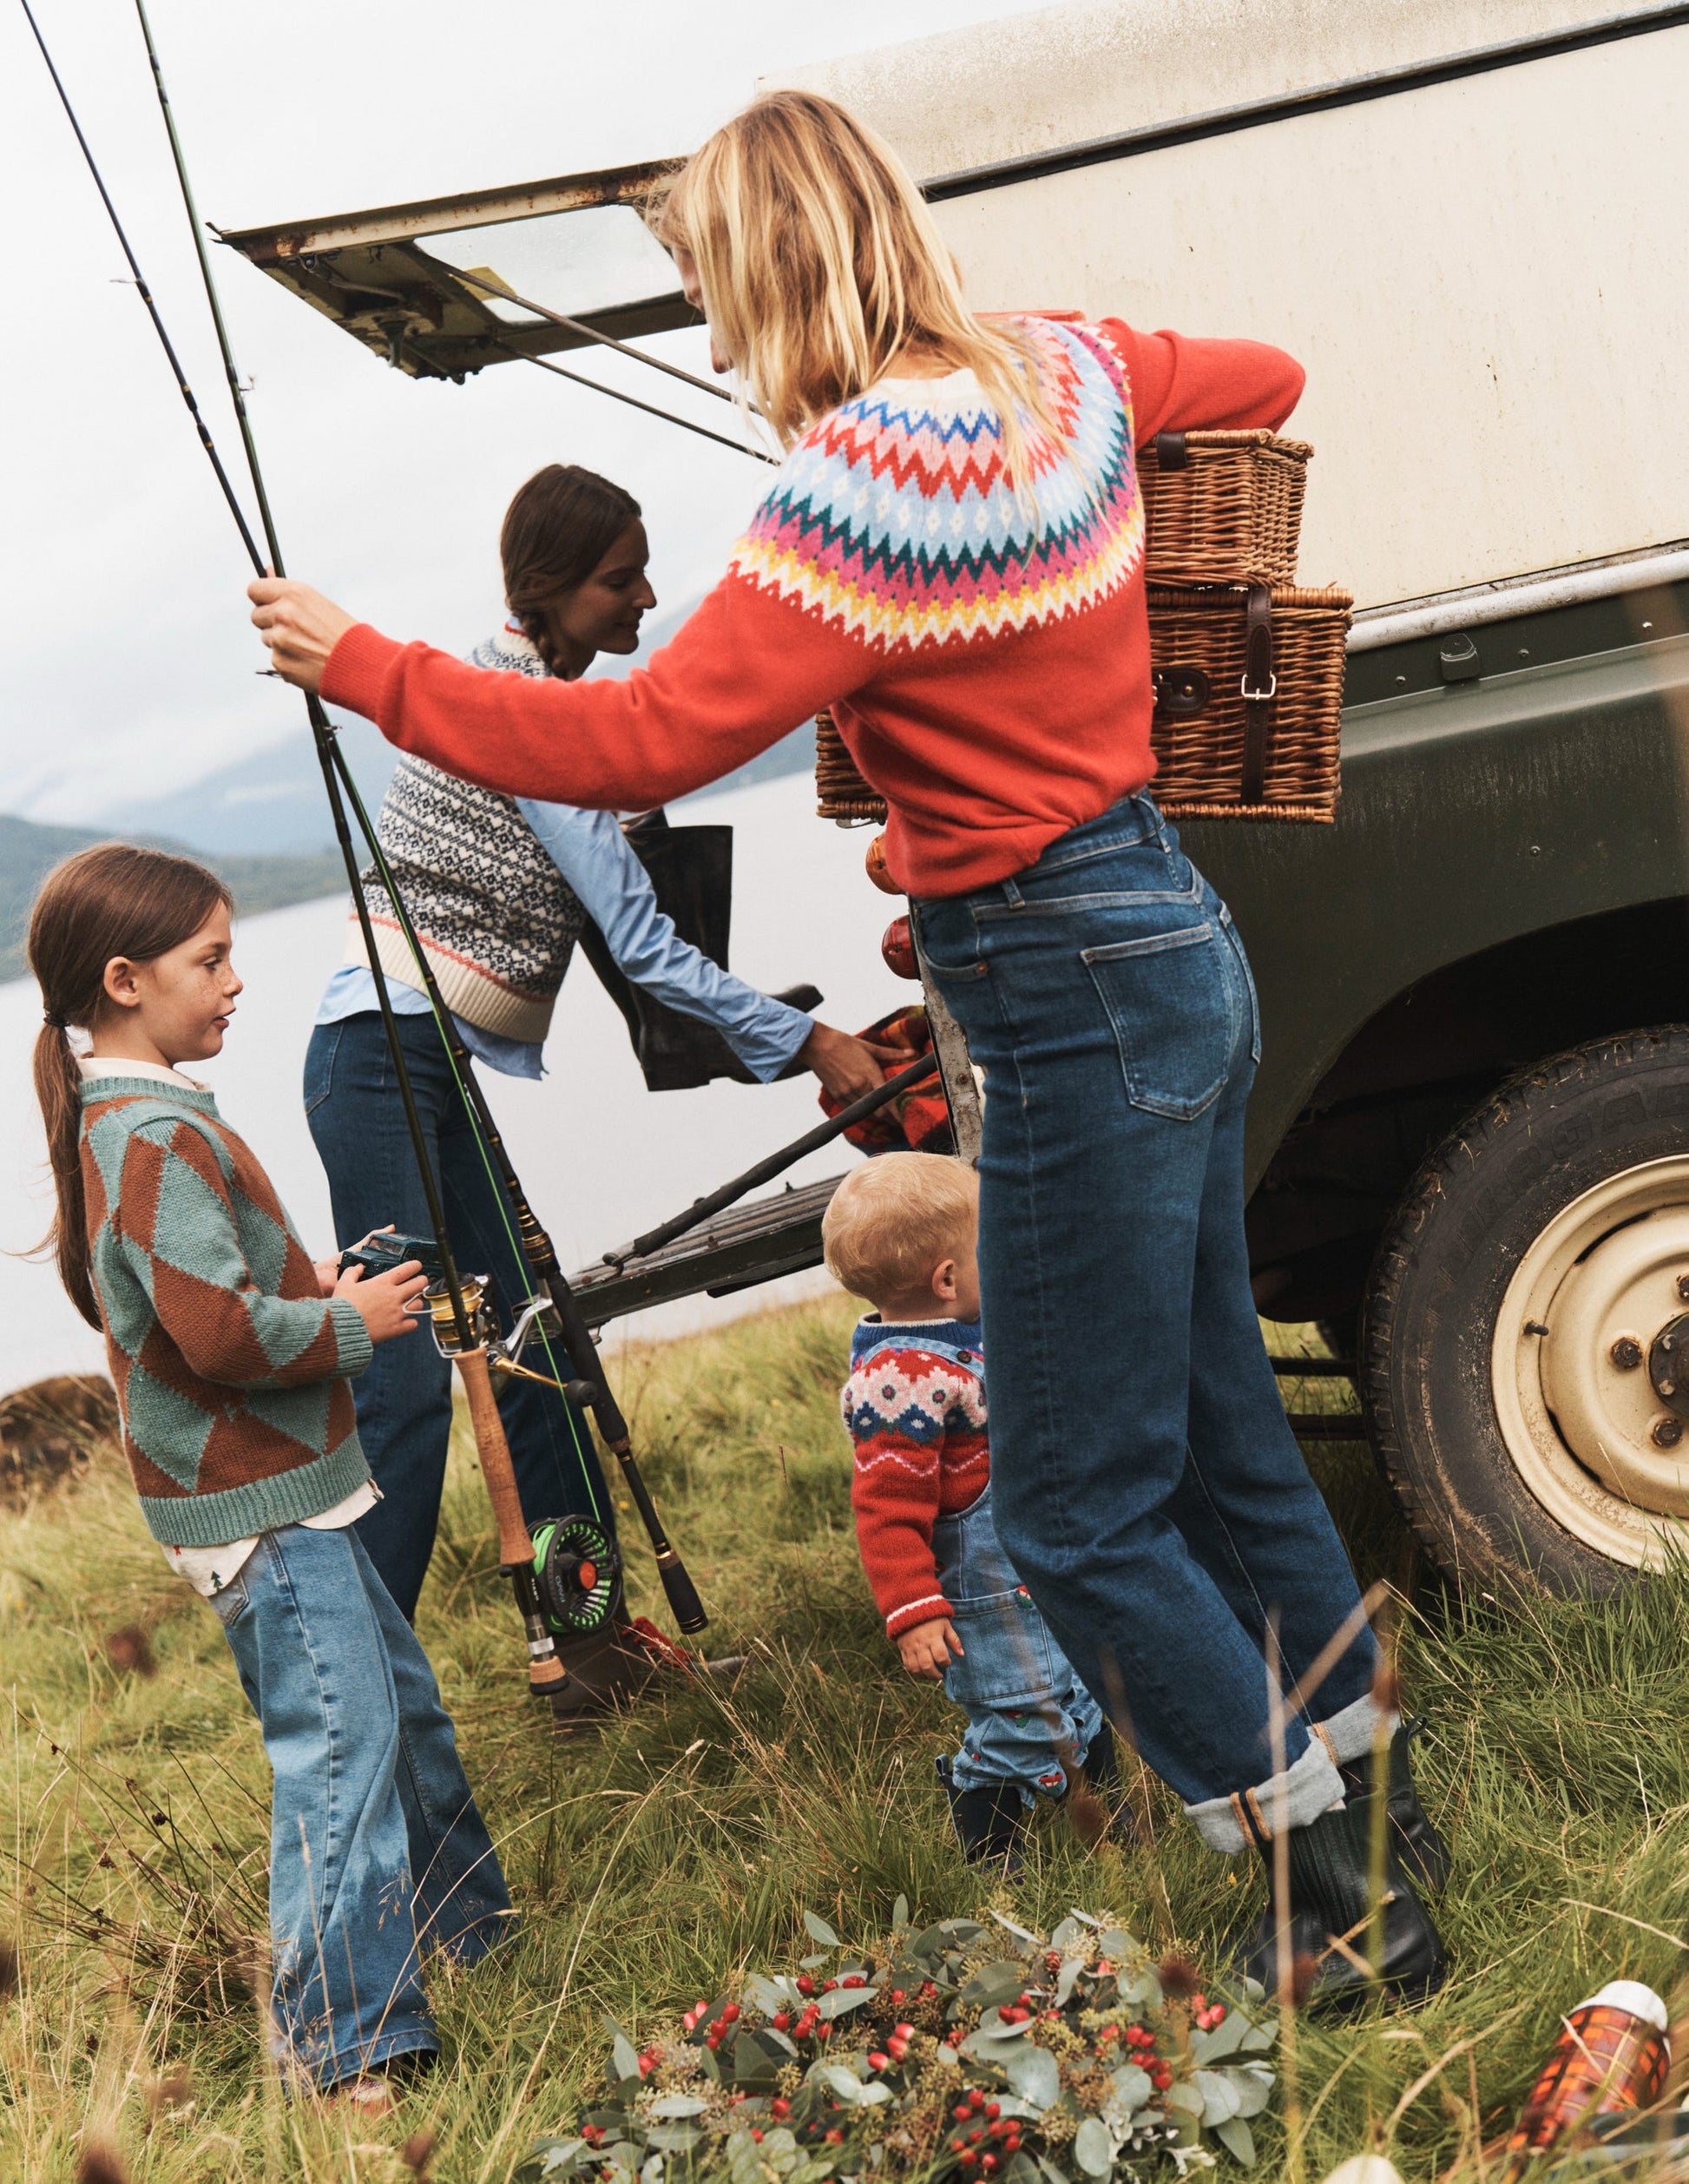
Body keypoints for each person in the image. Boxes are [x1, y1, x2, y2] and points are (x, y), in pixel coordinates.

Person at [250, 89, 1449, 2002]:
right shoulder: (1065, 372)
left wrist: (367, 663)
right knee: (1224, 1439)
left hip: (1063, 987)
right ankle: (1386, 1839)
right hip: (1163, 929)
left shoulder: (861, 487)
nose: (717, 336)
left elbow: (634, 741)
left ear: (776, 260)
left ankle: (1337, 1897)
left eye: (714, 286)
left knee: (1069, 1512)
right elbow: (1268, 367)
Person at [305, 462, 894, 1683]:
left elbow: (651, 970)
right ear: (549, 591)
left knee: (533, 1334)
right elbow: (645, 949)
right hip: (383, 1061)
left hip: (409, 1057)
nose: (644, 601)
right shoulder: (530, 722)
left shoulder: (511, 680)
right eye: (618, 582)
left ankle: (586, 1648)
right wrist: (817, 1046)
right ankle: (359, 1688)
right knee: (410, 1383)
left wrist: (756, 1038)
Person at [26, 843, 512, 2101]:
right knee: (341, 1759)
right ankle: (348, 2047)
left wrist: (323, 1287)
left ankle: (472, 1939)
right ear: (126, 981)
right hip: (262, 1508)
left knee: (402, 1724)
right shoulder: (148, 1134)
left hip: (292, 1489)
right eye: (213, 960)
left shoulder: (140, 1117)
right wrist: (358, 1325)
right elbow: (220, 1335)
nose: (237, 982)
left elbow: (217, 1298)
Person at [824, 1154, 1114, 1872]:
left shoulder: (970, 1338)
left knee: (1081, 1687)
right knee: (1022, 1710)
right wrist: (915, 1610)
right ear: (947, 1278)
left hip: (1035, 1568)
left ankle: (1107, 1814)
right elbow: (886, 1510)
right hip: (985, 1597)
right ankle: (987, 1832)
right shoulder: (901, 1379)